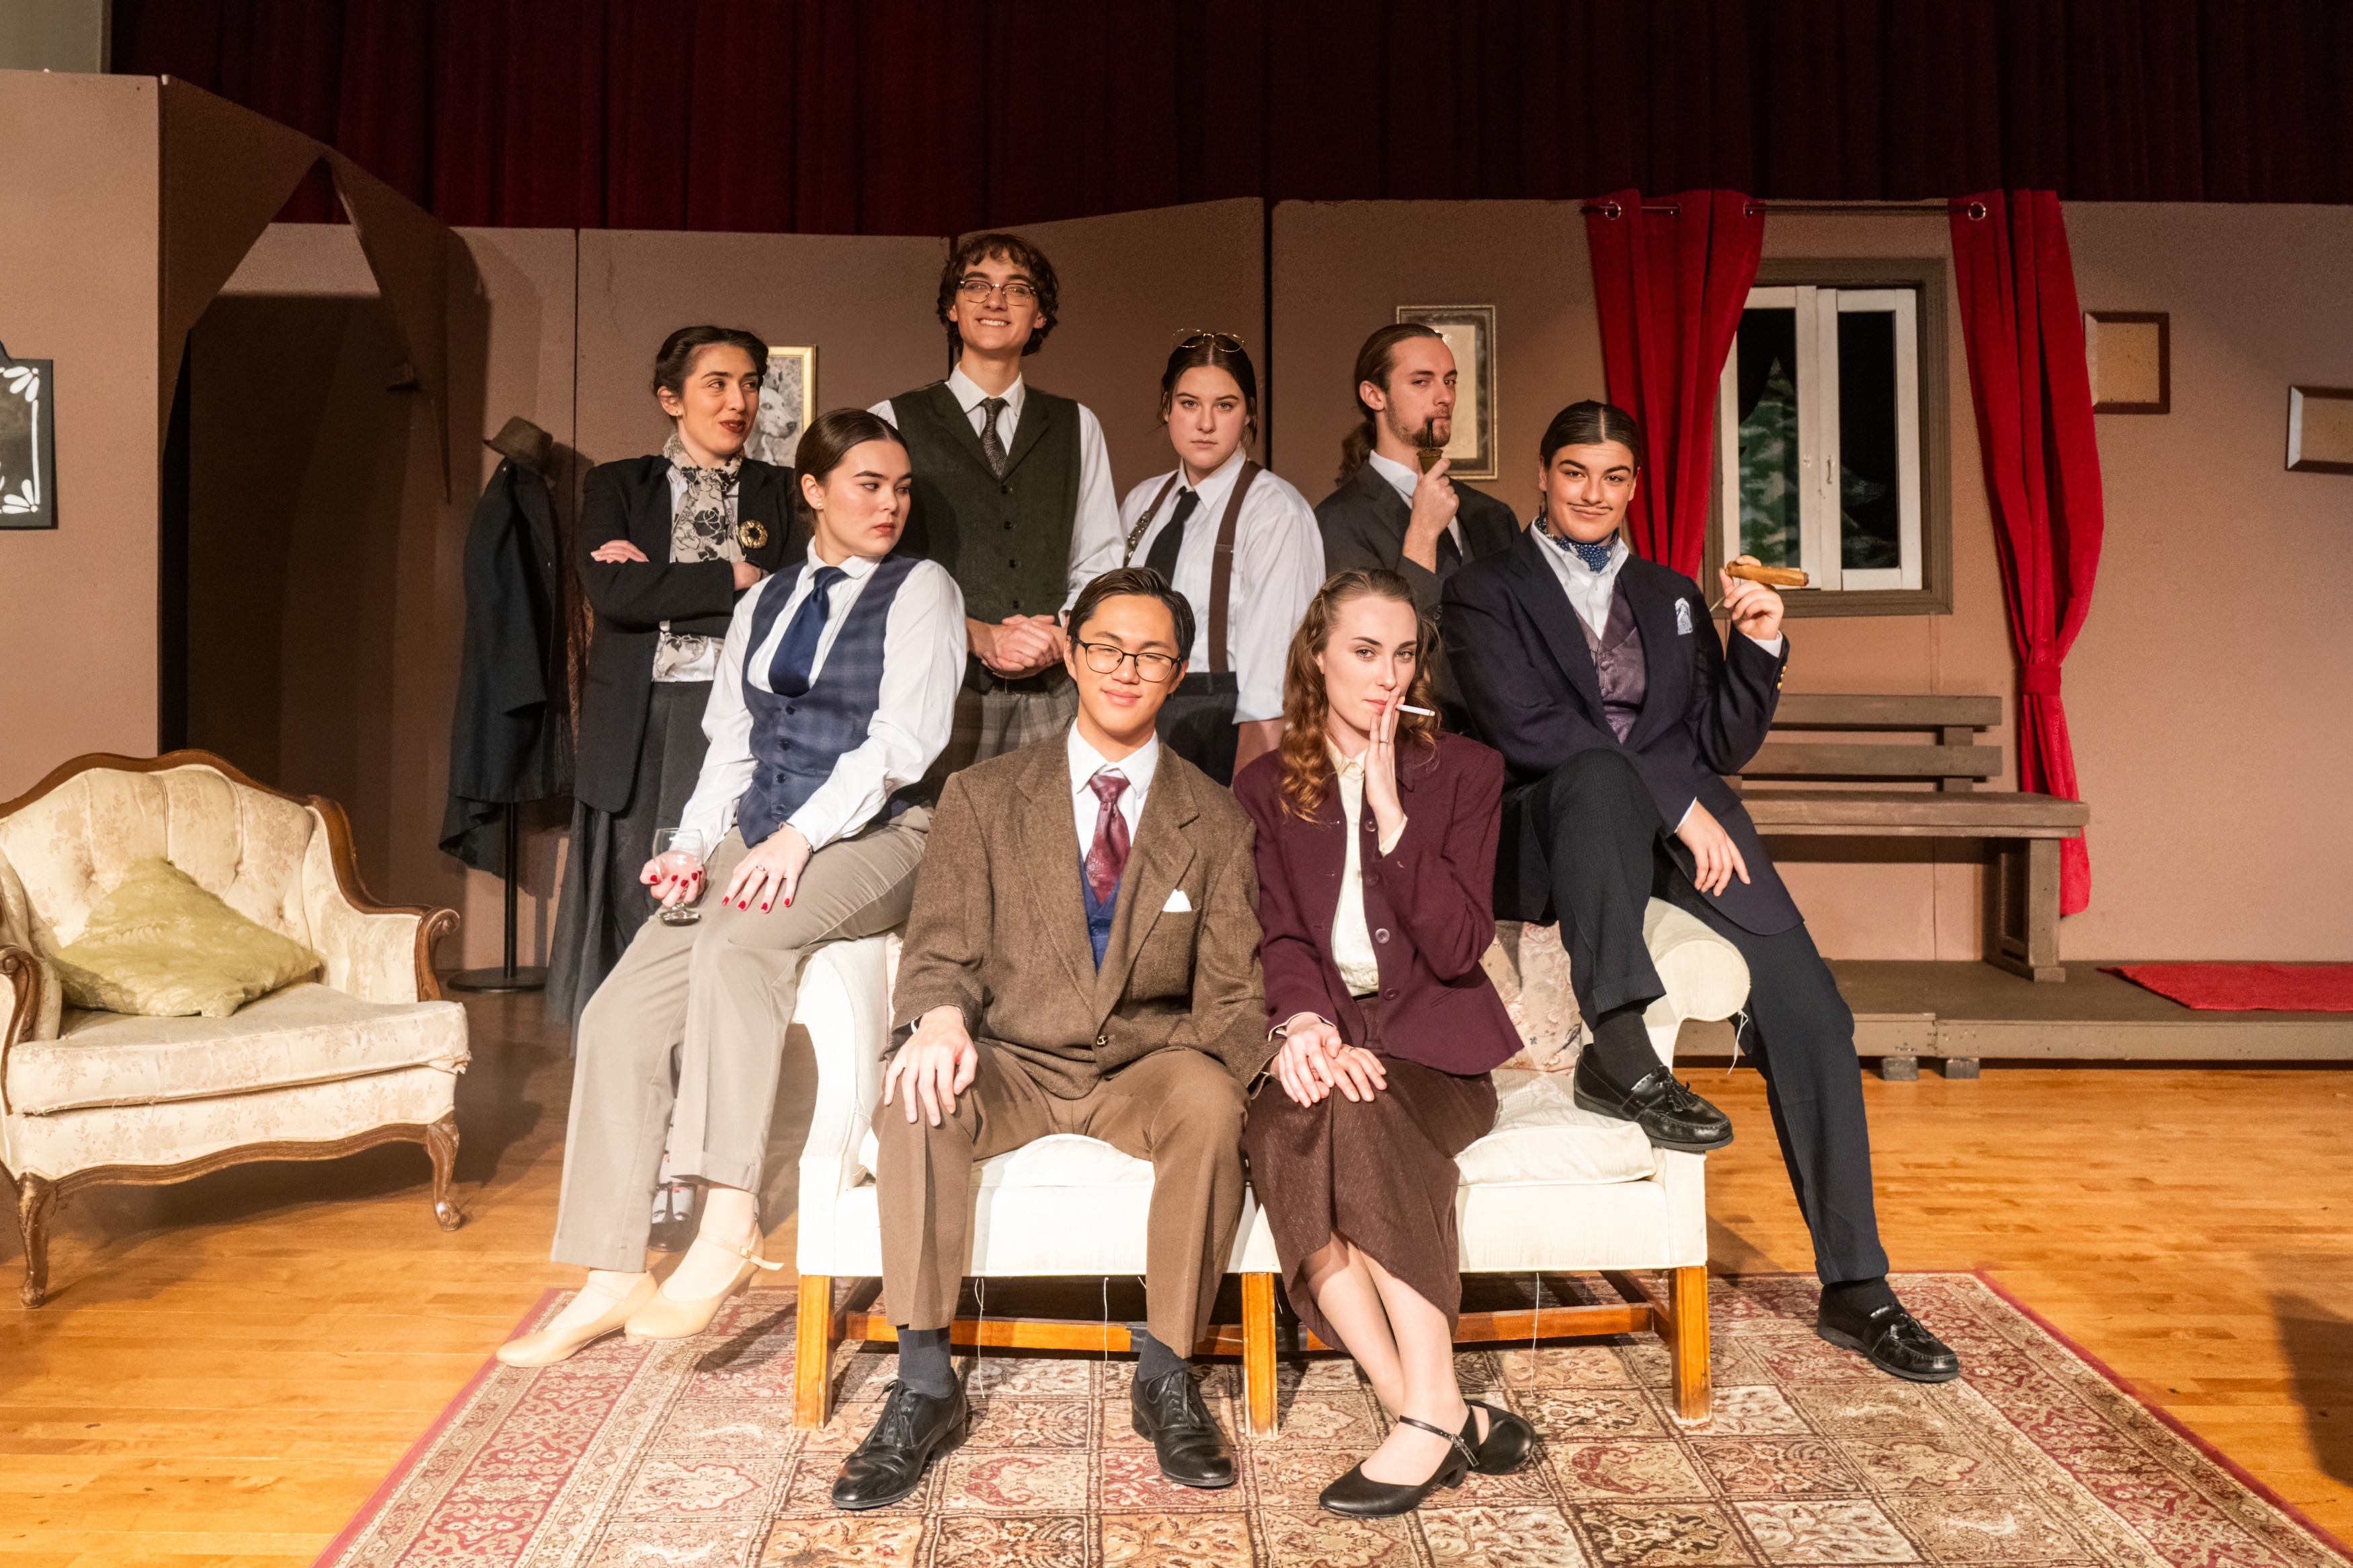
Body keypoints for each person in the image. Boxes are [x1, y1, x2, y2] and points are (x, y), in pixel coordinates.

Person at [1441, 400, 1961, 1385]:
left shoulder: (1673, 593)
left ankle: (1859, 1290)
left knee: (1813, 1012)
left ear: (1636, 485)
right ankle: (1621, 1053)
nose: (1594, 493)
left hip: (1689, 831)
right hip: (1557, 830)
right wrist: (1674, 798)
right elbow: (1529, 728)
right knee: (1596, 778)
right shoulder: (1484, 589)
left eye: (1616, 476)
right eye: (1574, 472)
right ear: (1543, 477)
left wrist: (1759, 646)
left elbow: (1718, 743)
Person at [498, 410, 966, 1366]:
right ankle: (610, 1268)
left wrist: (794, 840)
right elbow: (732, 748)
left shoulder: (923, 590)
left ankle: (728, 1221)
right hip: (759, 831)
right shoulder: (767, 600)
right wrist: (693, 845)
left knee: (742, 939)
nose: (889, 503)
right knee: (618, 1015)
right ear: (814, 490)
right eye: (868, 483)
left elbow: (900, 747)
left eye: (900, 487)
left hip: (886, 833)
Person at [832, 566, 1269, 1510]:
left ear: (1178, 672)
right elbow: (940, 948)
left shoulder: (1217, 818)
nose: (1126, 670)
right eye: (1108, 647)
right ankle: (923, 1382)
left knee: (1209, 1096)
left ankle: (1166, 1371)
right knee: (917, 1090)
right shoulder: (983, 797)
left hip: (1145, 1066)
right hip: (1014, 1060)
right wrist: (939, 1018)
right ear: (1071, 650)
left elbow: (1233, 995)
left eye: (1151, 655)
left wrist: (1243, 1060)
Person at [1231, 570, 1539, 1517]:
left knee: (1362, 1119)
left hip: (1438, 1055)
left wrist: (1394, 813)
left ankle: (1426, 1412)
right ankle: (1428, 1406)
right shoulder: (1264, 786)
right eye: (1366, 652)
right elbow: (1279, 935)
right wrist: (1309, 1025)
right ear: (1318, 656)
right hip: (1329, 1036)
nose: (1388, 676)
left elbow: (1456, 944)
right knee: (1279, 1135)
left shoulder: (1468, 772)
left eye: (1404, 654)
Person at [547, 326, 798, 1027]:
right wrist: (734, 575)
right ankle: (637, 1063)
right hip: (643, 717)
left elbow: (795, 591)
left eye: (750, 383)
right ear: (671, 398)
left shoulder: (781, 491)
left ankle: (709, 1070)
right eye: (715, 383)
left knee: (722, 889)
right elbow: (611, 594)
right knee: (642, 891)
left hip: (744, 719)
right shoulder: (619, 483)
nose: (737, 400)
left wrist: (662, 579)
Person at [871, 231, 1123, 768]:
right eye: (977, 285)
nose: (995, 299)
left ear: (1039, 316)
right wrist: (976, 636)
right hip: (938, 689)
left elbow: (1100, 558)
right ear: (952, 306)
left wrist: (1061, 632)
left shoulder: (1078, 425)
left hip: (1056, 696)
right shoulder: (892, 421)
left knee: (1053, 846)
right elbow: (872, 570)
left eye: (1017, 289)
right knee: (936, 845)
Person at [1105, 332, 1322, 784]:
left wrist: (1250, 789)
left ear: (1249, 414)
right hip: (1134, 713)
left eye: (1224, 405)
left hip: (1220, 723)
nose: (1205, 423)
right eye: (1189, 403)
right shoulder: (1144, 502)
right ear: (1167, 408)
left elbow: (1272, 682)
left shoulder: (1275, 510)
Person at [1315, 323, 1521, 729]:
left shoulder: (1493, 515)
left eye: (1450, 381)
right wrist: (1423, 534)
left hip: (1508, 749)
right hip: (1410, 742)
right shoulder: (1336, 520)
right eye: (1421, 381)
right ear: (1374, 395)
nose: (1444, 396)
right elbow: (1367, 652)